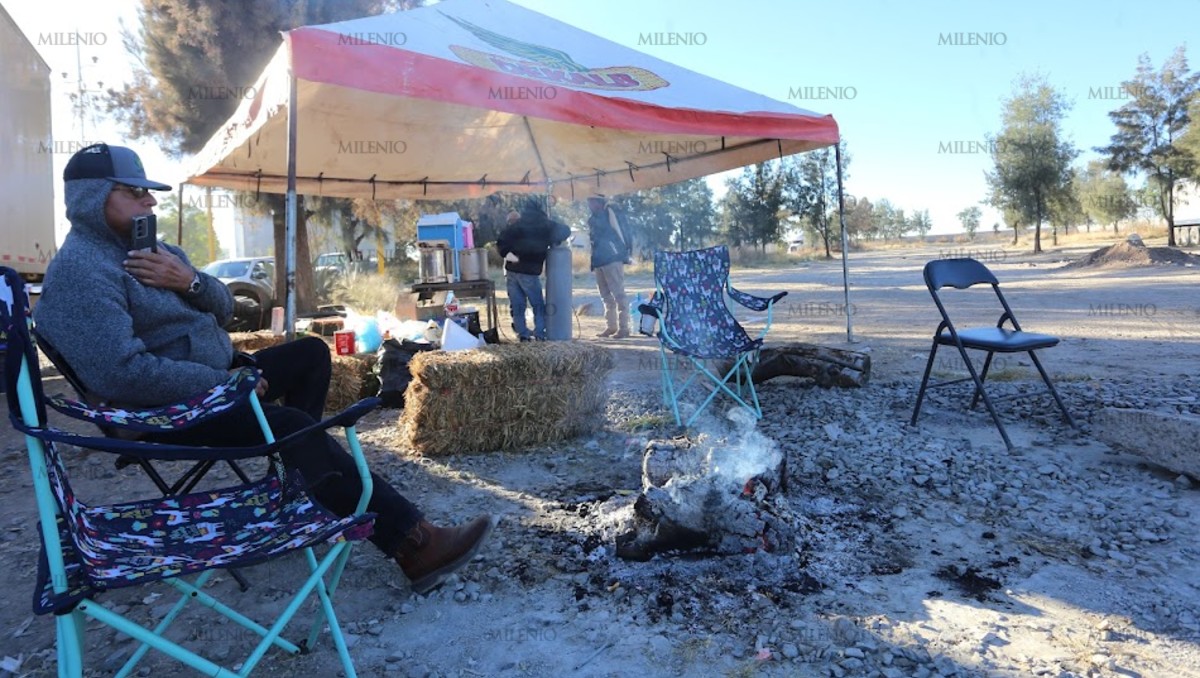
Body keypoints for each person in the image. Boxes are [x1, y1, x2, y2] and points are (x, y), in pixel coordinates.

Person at [33, 143, 492, 595]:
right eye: (134, 192)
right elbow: (120, 375)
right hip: (167, 410)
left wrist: (186, 279)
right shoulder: (81, 273)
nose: (150, 201)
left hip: (217, 380)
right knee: (295, 428)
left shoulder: (155, 248)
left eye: (148, 192)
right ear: (93, 198)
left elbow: (224, 306)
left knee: (310, 353)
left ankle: (305, 489)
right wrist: (226, 384)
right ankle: (415, 543)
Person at [495, 198, 564, 342]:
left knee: (518, 305)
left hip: (512, 270)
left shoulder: (517, 224)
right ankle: (539, 334)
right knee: (537, 304)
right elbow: (565, 230)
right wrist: (553, 240)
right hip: (530, 271)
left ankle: (523, 335)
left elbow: (501, 241)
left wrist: (508, 254)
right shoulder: (545, 224)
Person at [586, 194, 632, 338]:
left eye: (591, 201)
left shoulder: (608, 214)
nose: (589, 205)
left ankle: (624, 328)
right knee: (605, 296)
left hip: (612, 259)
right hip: (600, 260)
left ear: (599, 203)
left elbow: (617, 233)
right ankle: (611, 327)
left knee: (619, 294)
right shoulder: (593, 218)